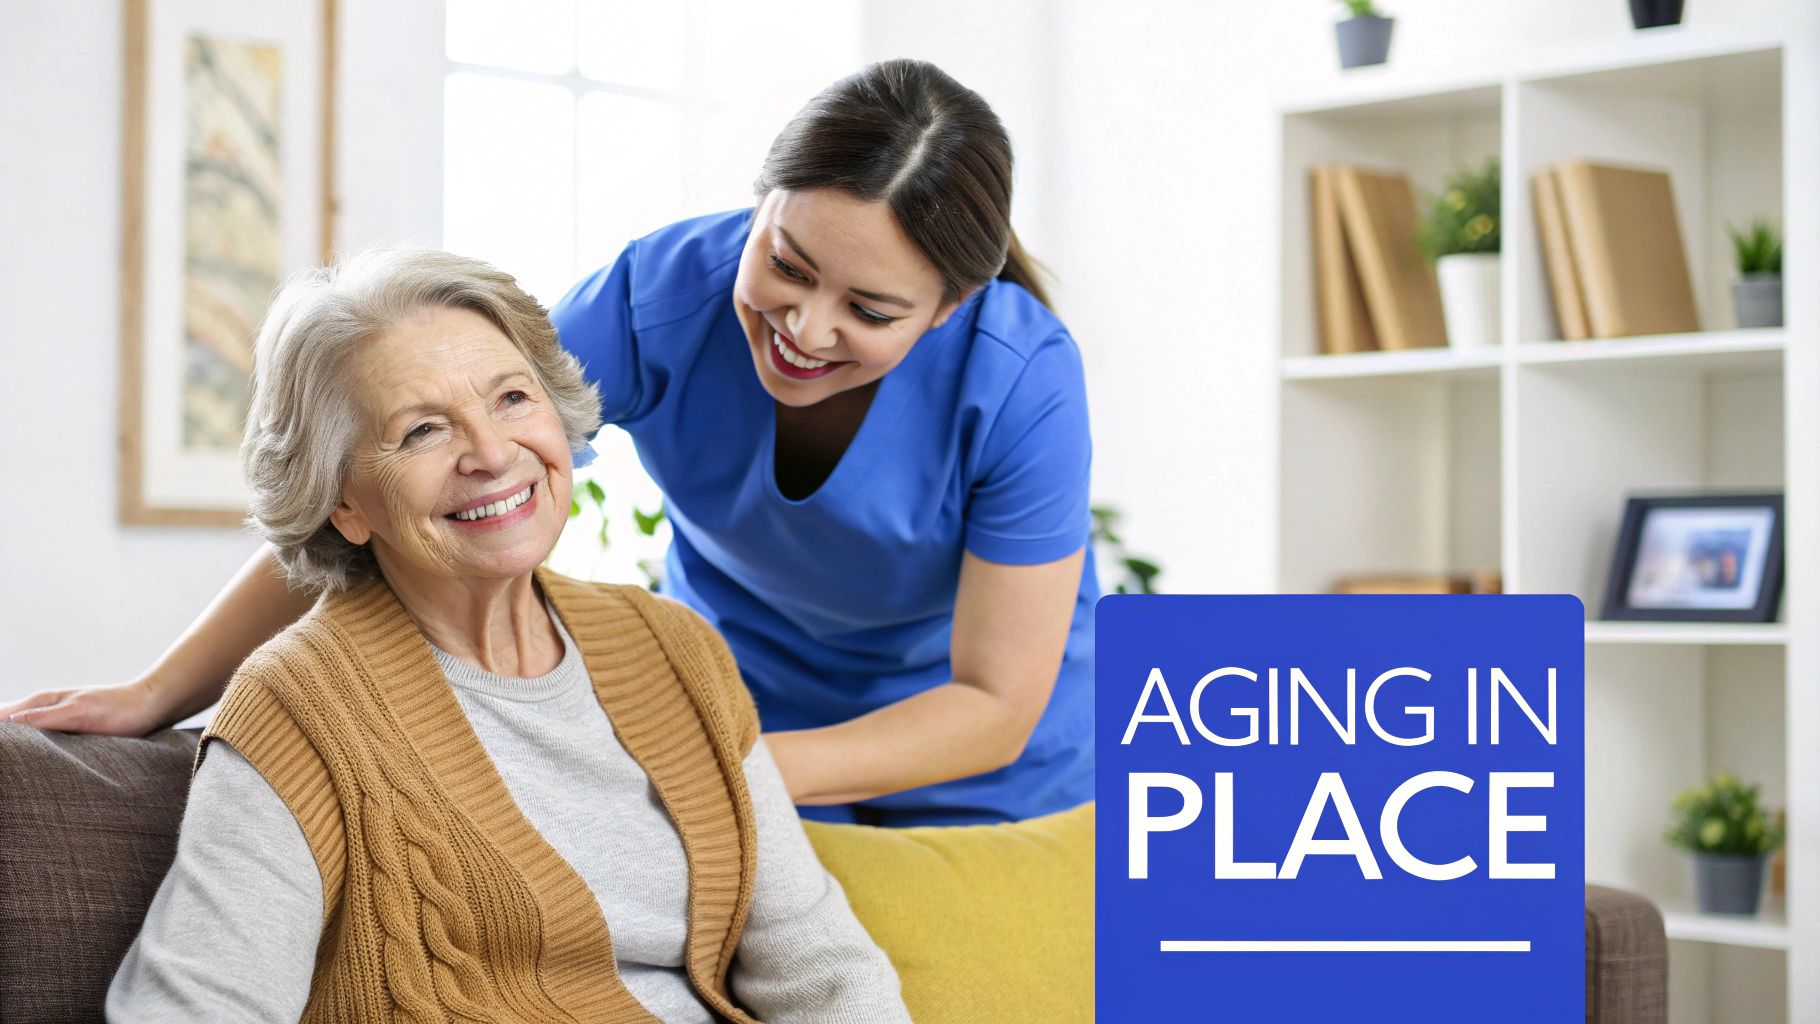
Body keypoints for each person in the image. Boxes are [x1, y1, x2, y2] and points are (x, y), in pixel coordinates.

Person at [3, 58, 1097, 827]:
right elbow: (396, 488)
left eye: (870, 310)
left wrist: (717, 766)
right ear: (759, 203)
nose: (805, 329)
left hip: (973, 745)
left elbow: (992, 702)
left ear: (948, 308)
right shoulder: (658, 300)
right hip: (743, 688)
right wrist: (160, 691)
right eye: (788, 263)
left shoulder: (1021, 383)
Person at [105, 249, 910, 1022]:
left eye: (513, 399)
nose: (492, 454)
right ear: (342, 503)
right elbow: (195, 1005)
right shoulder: (303, 710)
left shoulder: (673, 648)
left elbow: (820, 965)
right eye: (422, 431)